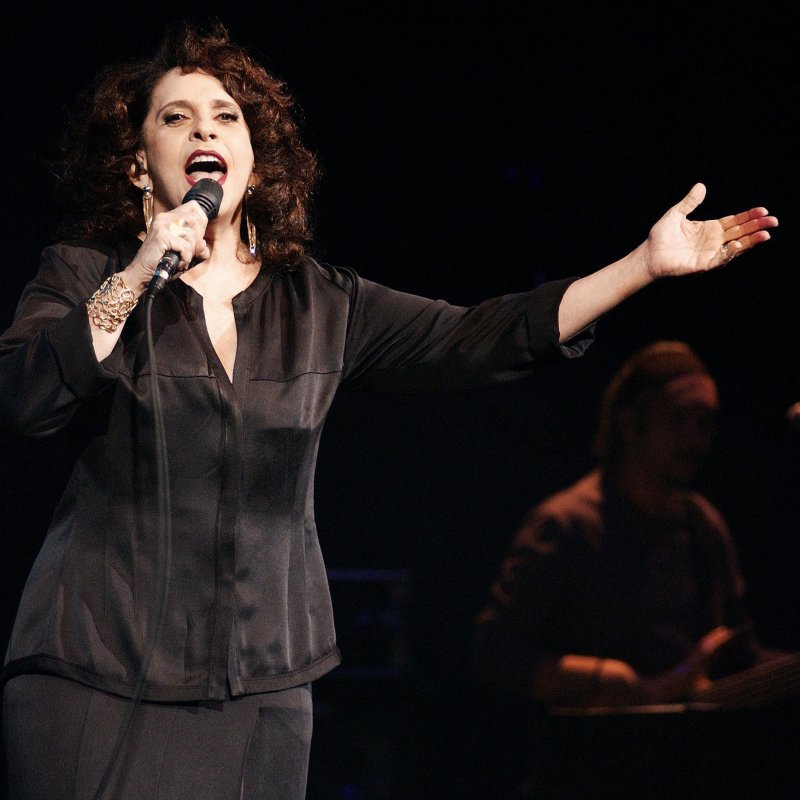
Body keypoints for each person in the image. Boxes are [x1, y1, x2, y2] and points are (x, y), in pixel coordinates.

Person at [0, 19, 778, 800]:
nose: (205, 128)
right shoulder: (87, 274)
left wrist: (642, 266)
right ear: (139, 165)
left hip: (259, 688)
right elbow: (27, 399)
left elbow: (481, 336)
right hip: (91, 671)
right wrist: (138, 273)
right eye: (177, 116)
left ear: (254, 158)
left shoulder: (321, 303)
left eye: (226, 116)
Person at [472, 341, 795, 711]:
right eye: (677, 420)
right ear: (629, 423)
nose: (695, 438)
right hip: (595, 746)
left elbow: (739, 655)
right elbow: (493, 653)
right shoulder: (567, 525)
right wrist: (604, 676)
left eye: (704, 423)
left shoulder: (703, 525)